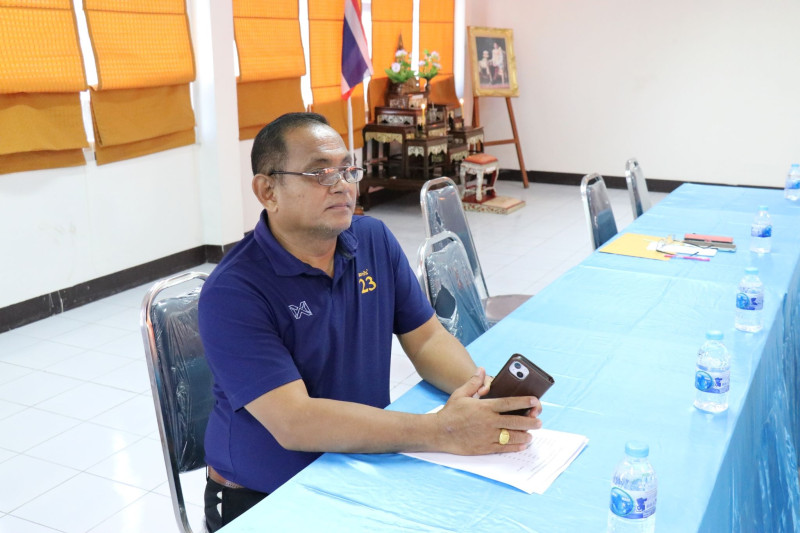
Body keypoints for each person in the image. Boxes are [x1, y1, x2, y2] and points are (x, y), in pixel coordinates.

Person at [198, 112, 543, 531]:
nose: (342, 184)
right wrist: (442, 430)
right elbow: (295, 422)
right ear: (268, 190)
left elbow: (427, 338)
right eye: (320, 173)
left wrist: (480, 394)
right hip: (267, 495)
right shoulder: (234, 291)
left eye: (347, 169)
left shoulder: (372, 239)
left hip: (362, 459)